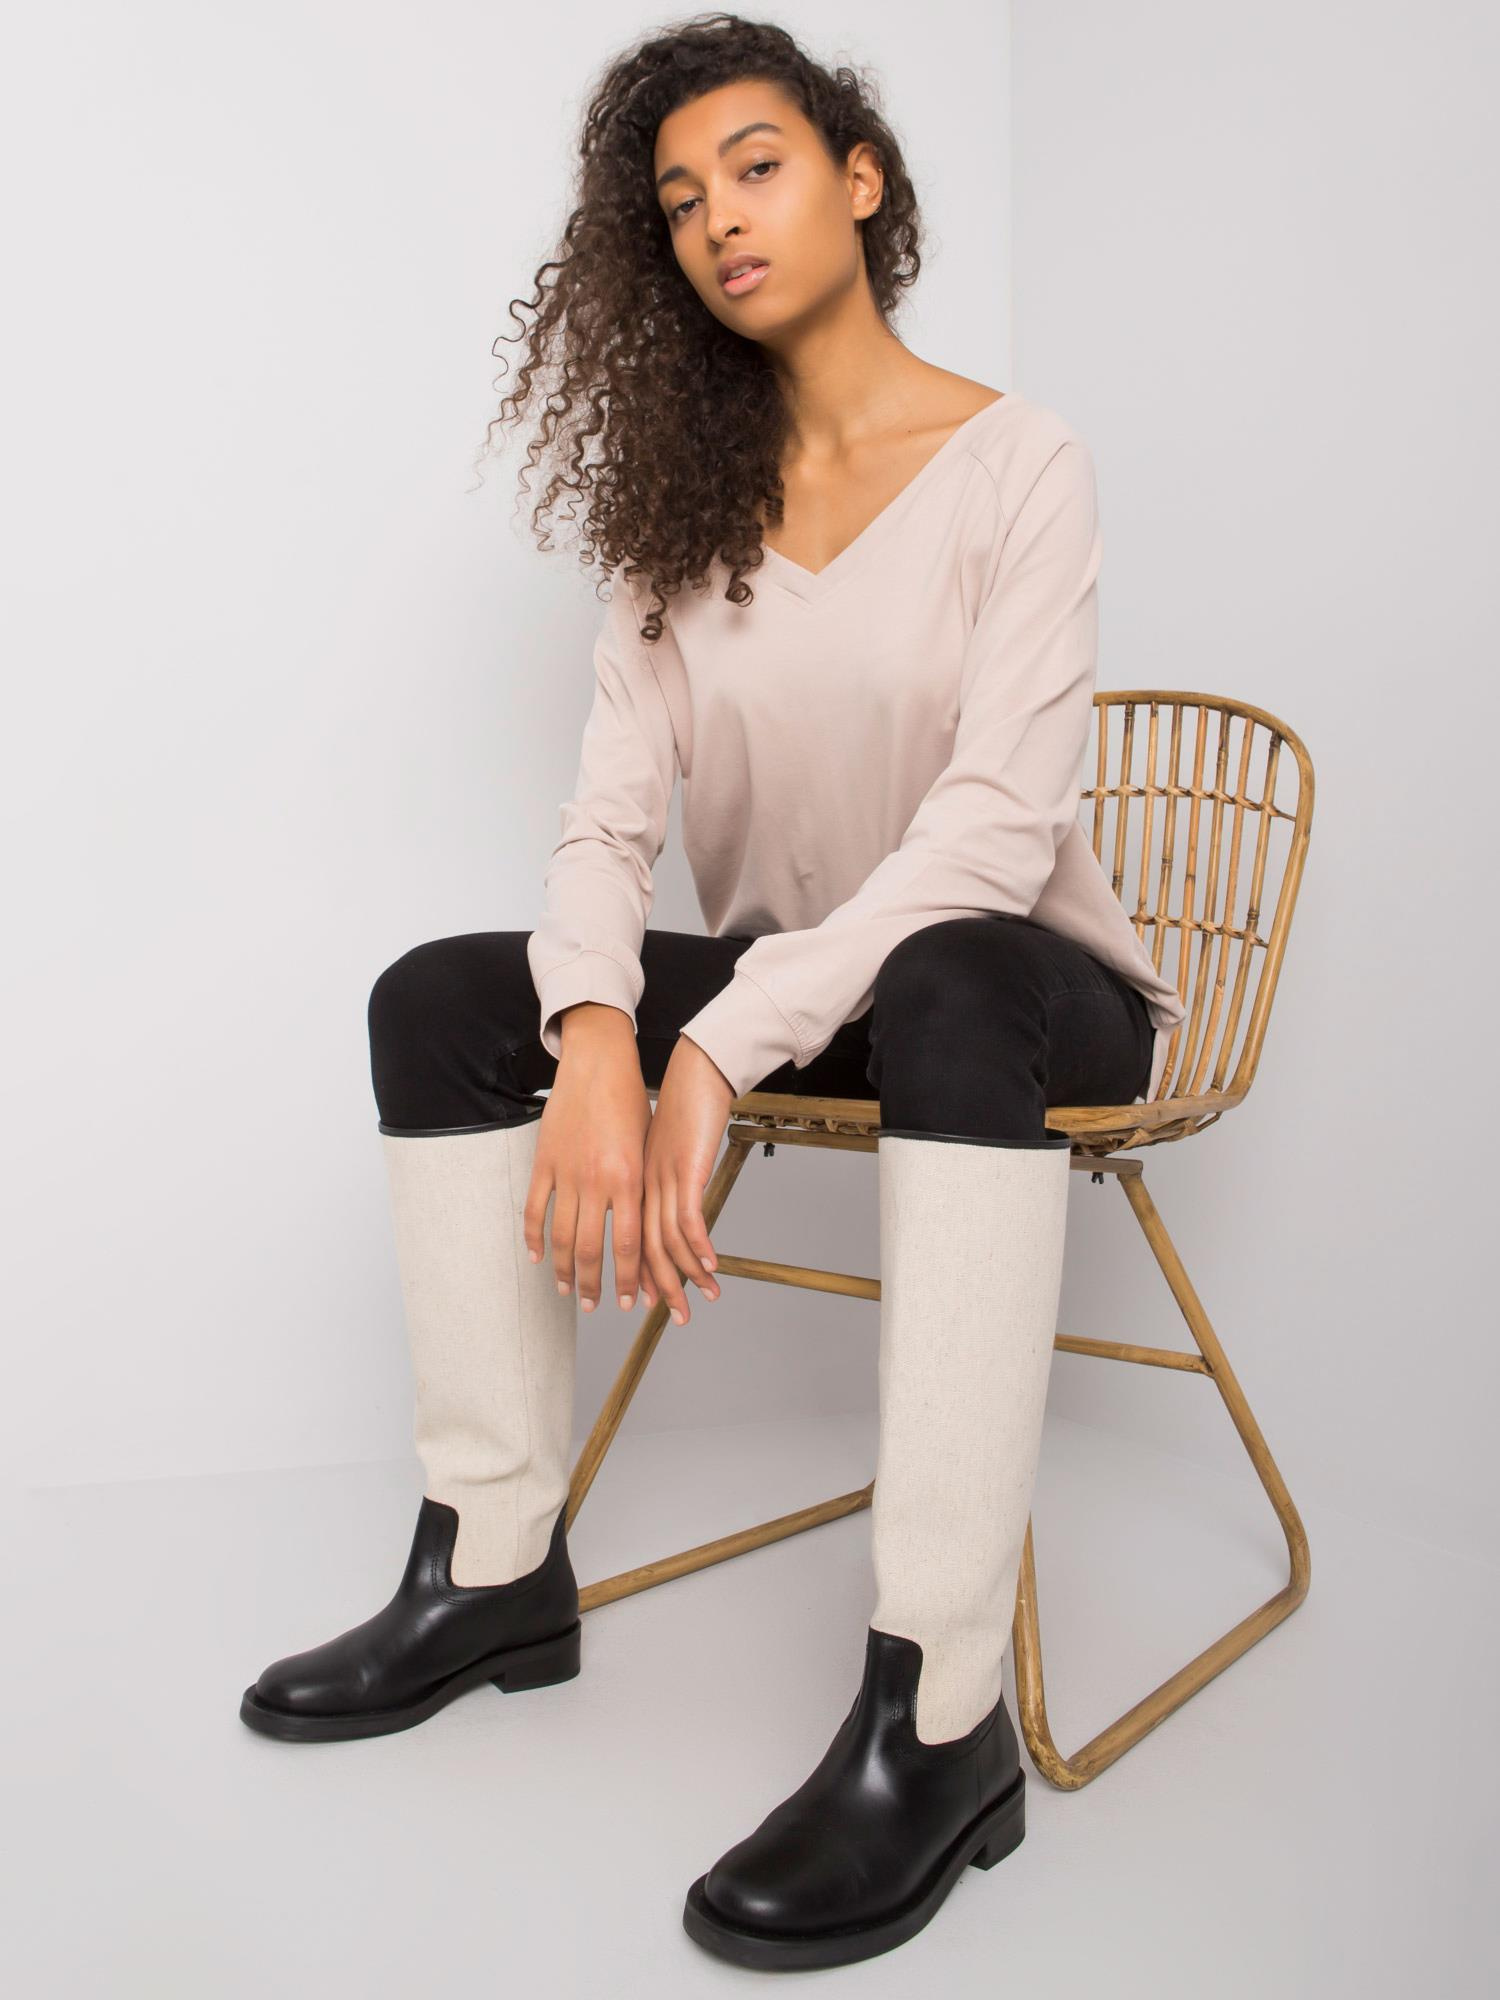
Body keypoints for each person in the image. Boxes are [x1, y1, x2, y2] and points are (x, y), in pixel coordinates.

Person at [238, 10, 1187, 1972]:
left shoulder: (1020, 464)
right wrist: (601, 1037)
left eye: (756, 166)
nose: (720, 220)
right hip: (807, 989)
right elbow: (607, 826)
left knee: (950, 976)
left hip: (1024, 990)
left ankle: (941, 1717)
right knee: (439, 998)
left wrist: (717, 1051)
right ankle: (491, 1563)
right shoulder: (686, 509)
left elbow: (991, 836)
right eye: (678, 202)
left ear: (860, 178)